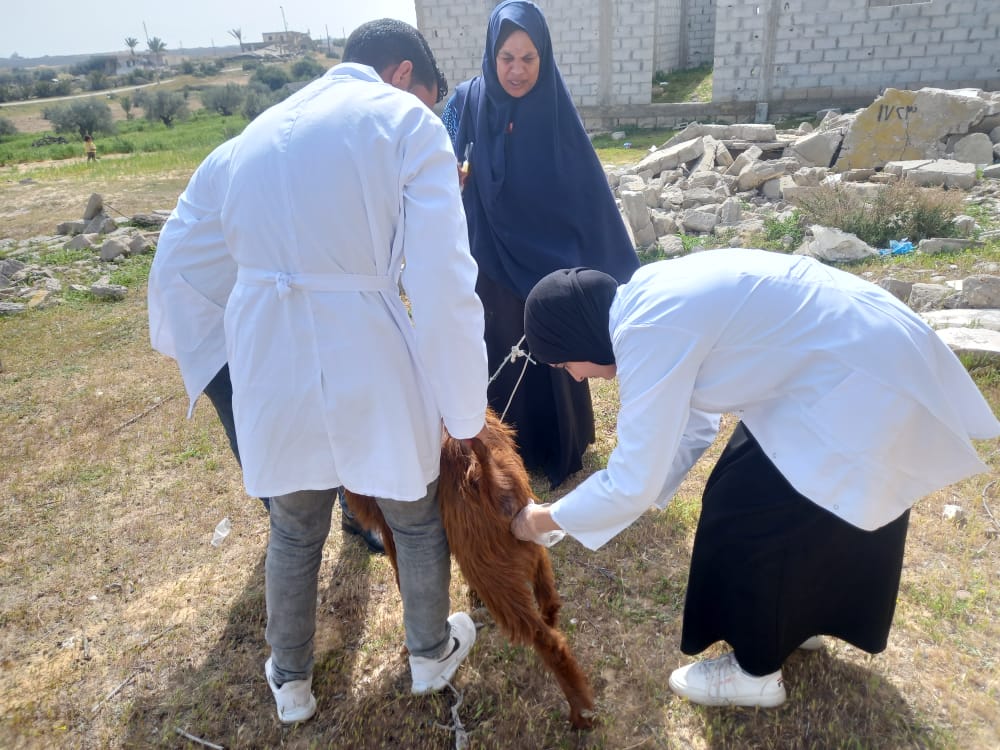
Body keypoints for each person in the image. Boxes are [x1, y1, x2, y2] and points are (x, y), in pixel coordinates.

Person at [511, 249, 1000, 708]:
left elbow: (632, 477)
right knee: (799, 501)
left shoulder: (645, 330)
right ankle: (800, 620)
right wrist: (638, 496)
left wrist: (540, 521)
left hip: (859, 374)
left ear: (576, 336)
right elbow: (693, 426)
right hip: (859, 354)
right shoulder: (647, 297)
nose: (573, 377)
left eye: (564, 363)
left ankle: (754, 673)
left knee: (748, 515)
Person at [219, 20, 489, 724]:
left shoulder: (258, 131)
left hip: (267, 343)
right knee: (416, 513)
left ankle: (291, 681)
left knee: (294, 524)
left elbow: (207, 240)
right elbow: (441, 281)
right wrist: (465, 417)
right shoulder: (403, 122)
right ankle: (430, 653)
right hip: (361, 333)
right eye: (432, 98)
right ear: (404, 75)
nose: (432, 111)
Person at [147, 140, 385, 553]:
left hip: (243, 287)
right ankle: (288, 526)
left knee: (318, 397)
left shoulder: (291, 148)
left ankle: (351, 511)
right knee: (245, 410)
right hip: (203, 295)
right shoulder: (281, 153)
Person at [441, 0, 639, 488]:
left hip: (549, 262)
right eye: (507, 57)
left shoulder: (554, 107)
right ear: (491, 54)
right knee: (500, 348)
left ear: (544, 58)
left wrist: (621, 273)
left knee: (551, 350)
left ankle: (557, 446)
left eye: (529, 58)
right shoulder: (466, 101)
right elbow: (439, 165)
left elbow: (587, 189)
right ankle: (506, 450)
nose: (517, 70)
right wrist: (454, 183)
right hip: (487, 256)